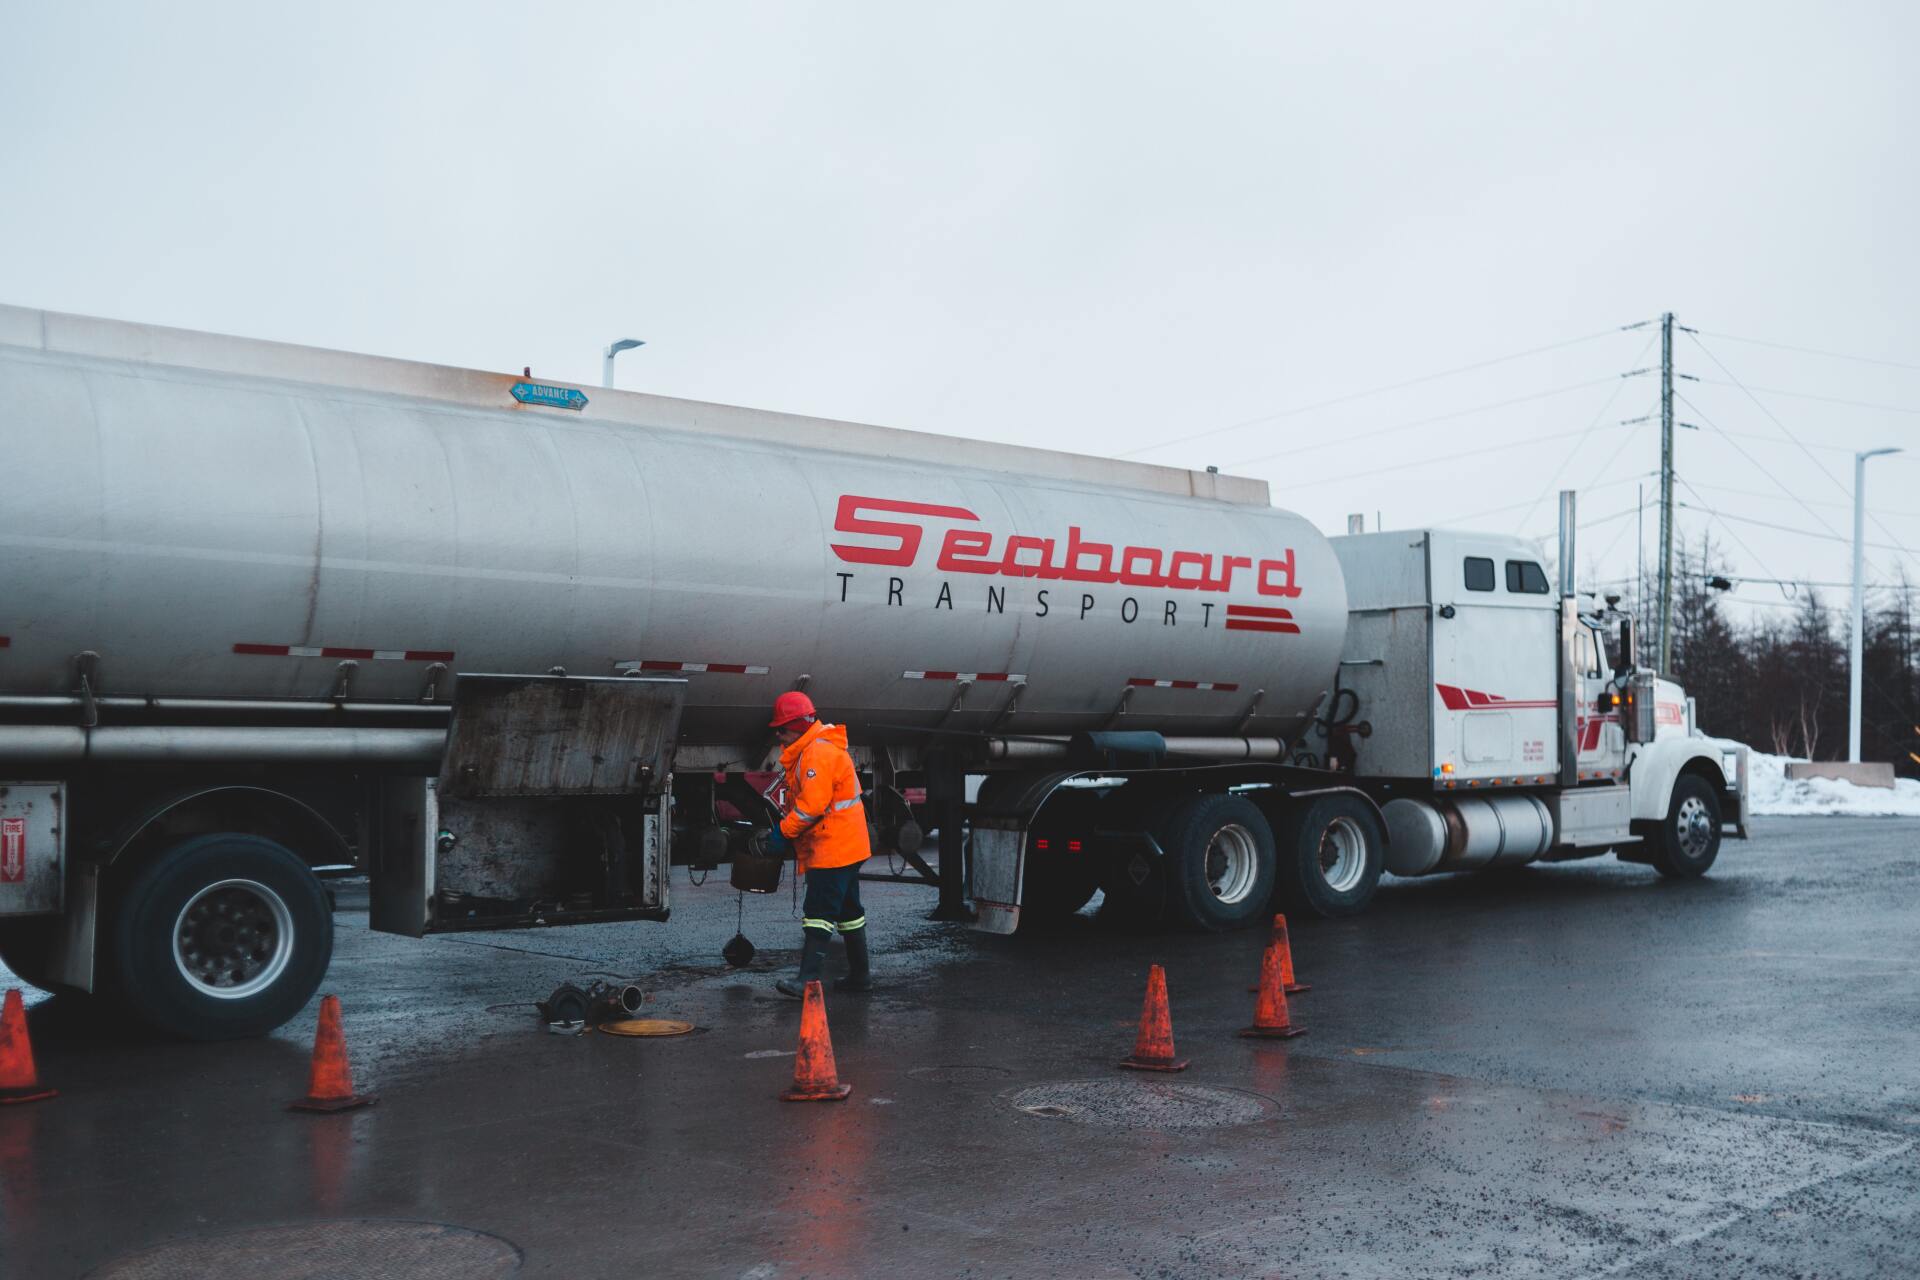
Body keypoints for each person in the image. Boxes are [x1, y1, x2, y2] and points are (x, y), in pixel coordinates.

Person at [768, 691, 873, 998]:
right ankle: (860, 976)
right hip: (848, 844)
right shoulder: (817, 747)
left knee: (819, 912)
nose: (779, 735)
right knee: (850, 911)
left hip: (834, 847)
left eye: (782, 729)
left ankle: (807, 981)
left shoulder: (816, 754)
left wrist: (782, 833)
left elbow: (811, 807)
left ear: (799, 725)